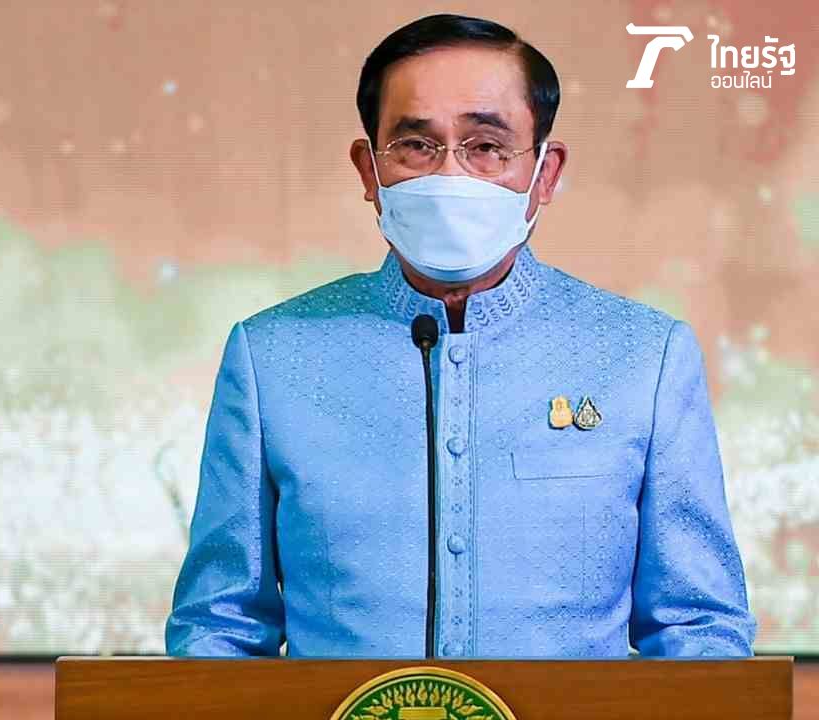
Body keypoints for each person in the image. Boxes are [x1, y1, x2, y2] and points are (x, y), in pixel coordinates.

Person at [164, 13, 756, 658]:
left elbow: (699, 631)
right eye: (416, 145)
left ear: (545, 173)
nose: (449, 175)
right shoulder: (274, 356)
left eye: (486, 147)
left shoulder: (643, 356)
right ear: (368, 169)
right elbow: (220, 626)